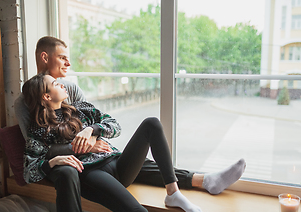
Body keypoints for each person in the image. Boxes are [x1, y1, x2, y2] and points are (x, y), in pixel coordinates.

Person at [14, 36, 246, 196]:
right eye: (62, 57)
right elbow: (39, 149)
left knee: (137, 160)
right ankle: (203, 181)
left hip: (96, 157)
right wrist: (81, 147)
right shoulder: (23, 103)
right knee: (130, 166)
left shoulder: (70, 89)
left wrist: (93, 134)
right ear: (45, 58)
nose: (69, 62)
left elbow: (93, 120)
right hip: (72, 170)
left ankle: (204, 181)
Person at [22, 72, 204, 212]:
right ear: (46, 96)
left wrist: (92, 130)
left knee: (152, 124)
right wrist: (53, 161)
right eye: (55, 83)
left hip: (116, 161)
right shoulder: (39, 130)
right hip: (91, 173)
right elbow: (29, 171)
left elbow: (114, 125)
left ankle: (173, 192)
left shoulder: (80, 108)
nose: (61, 84)